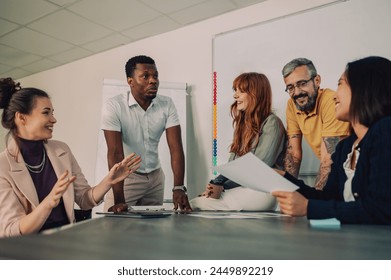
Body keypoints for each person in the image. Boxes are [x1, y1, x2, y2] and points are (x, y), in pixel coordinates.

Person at [0, 78, 141, 237]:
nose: (54, 119)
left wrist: (109, 180)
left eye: (52, 113)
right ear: (21, 118)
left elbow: (84, 199)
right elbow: (12, 230)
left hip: (67, 240)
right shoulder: (3, 166)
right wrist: (49, 202)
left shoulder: (62, 150)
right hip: (31, 250)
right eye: (46, 113)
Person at [273, 56, 391, 224]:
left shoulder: (386, 129)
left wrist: (308, 208)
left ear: (364, 88)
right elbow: (328, 198)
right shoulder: (346, 147)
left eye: (340, 84)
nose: (335, 95)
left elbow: (381, 208)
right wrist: (283, 177)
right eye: (291, 87)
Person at [101, 55, 191, 212]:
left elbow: (175, 147)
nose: (153, 80)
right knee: (115, 227)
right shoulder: (114, 106)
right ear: (130, 81)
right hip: (126, 177)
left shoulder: (167, 104)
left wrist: (178, 187)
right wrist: (119, 199)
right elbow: (115, 153)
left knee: (150, 230)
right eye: (145, 76)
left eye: (155, 76)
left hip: (155, 178)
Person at [190, 72, 286, 211]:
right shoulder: (243, 126)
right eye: (235, 90)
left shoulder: (272, 123)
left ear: (256, 94)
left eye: (241, 91)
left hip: (261, 191)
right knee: (196, 202)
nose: (235, 96)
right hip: (242, 187)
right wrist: (216, 184)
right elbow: (232, 166)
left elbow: (259, 166)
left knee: (196, 204)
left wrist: (222, 185)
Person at [282, 58, 350, 189]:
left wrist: (316, 200)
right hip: (333, 171)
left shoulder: (331, 101)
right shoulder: (292, 105)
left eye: (302, 83)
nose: (296, 93)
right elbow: (293, 154)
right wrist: (286, 191)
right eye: (290, 87)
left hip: (347, 172)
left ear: (317, 81)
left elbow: (329, 159)